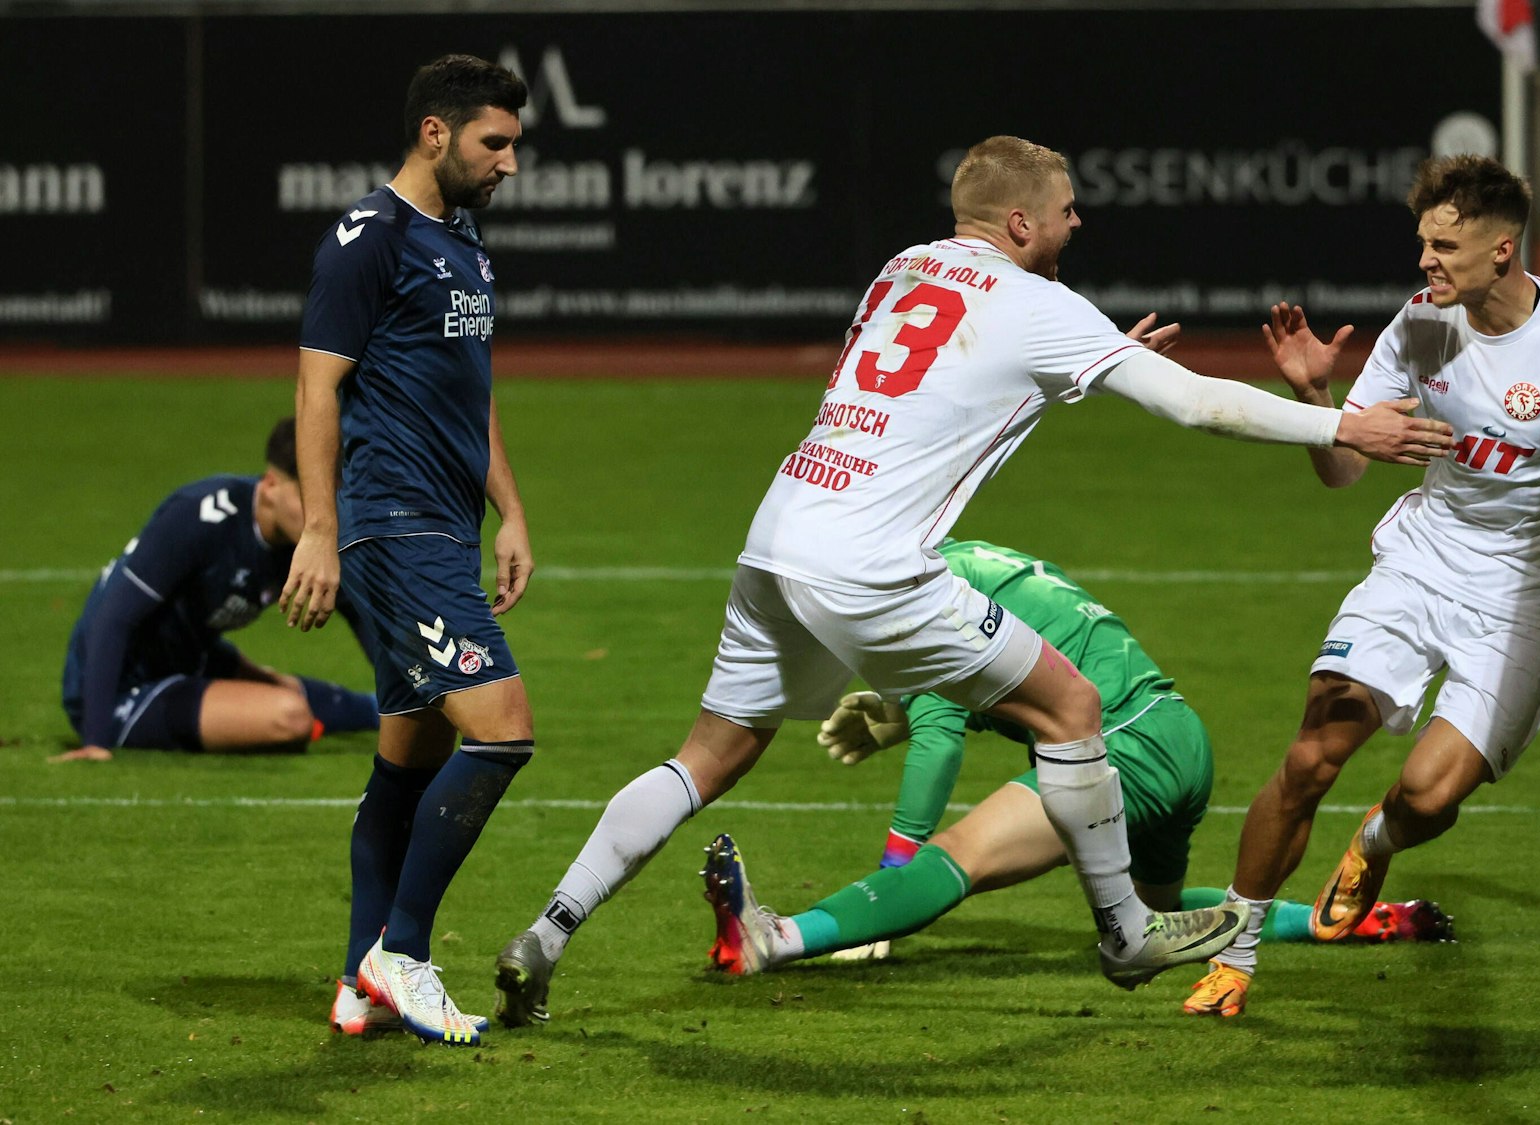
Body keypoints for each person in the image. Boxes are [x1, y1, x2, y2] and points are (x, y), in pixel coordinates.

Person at [492, 135, 1456, 1029]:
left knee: (707, 754)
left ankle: (550, 928)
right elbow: (1198, 405)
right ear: (1023, 223)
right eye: (1069, 210)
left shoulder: (903, 266)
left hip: (779, 537)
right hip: (873, 563)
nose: (1080, 223)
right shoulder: (1040, 306)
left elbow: (953, 388)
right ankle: (1126, 931)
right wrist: (1342, 427)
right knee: (1074, 706)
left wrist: (1094, 356)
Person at [1184, 155, 1540, 1018]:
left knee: (1428, 794)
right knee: (1311, 754)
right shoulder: (1421, 324)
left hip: (1528, 604)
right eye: (1423, 242)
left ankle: (1377, 840)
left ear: (1501, 250)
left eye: (1444, 245)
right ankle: (1232, 957)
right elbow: (1344, 472)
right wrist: (1317, 398)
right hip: (1420, 565)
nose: (1426, 261)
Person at [690, 538, 1451, 1002]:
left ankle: (773, 938)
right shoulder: (965, 559)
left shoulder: (915, 596)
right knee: (1157, 913)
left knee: (961, 855)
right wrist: (907, 709)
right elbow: (1027, 671)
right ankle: (1339, 921)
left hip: (1125, 747)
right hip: (1181, 737)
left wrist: (896, 857)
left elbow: (941, 746)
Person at [282, 54, 533, 1046]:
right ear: (437, 133)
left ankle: (357, 977)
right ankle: (406, 951)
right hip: (393, 529)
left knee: (407, 758)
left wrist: (508, 509)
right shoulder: (368, 238)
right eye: (494, 142)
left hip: (446, 527)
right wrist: (319, 528)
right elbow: (316, 388)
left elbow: (471, 390)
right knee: (501, 726)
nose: (510, 163)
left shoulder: (462, 242)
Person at [53, 417, 380, 764]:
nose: (322, 514)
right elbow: (114, 619)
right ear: (270, 485)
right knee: (289, 716)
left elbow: (367, 625)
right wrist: (95, 738)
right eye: (308, 498)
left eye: (331, 498)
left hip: (192, 656)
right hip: (119, 686)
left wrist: (416, 694)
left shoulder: (313, 541)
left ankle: (397, 709)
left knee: (292, 692)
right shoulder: (200, 516)